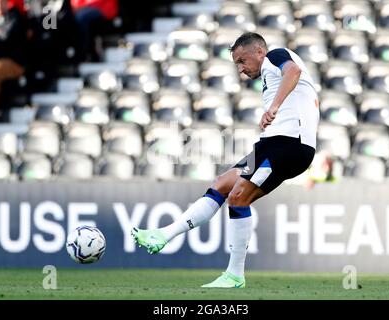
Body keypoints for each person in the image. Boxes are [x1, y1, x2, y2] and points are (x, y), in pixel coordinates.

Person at [131, 32, 320, 288]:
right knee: (222, 183)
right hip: (272, 145)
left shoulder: (276, 56)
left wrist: (274, 107)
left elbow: (294, 71)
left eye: (243, 60)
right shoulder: (270, 72)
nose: (241, 69)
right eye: (237, 64)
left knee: (238, 197)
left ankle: (234, 275)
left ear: (259, 52)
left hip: (287, 144)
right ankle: (164, 234)